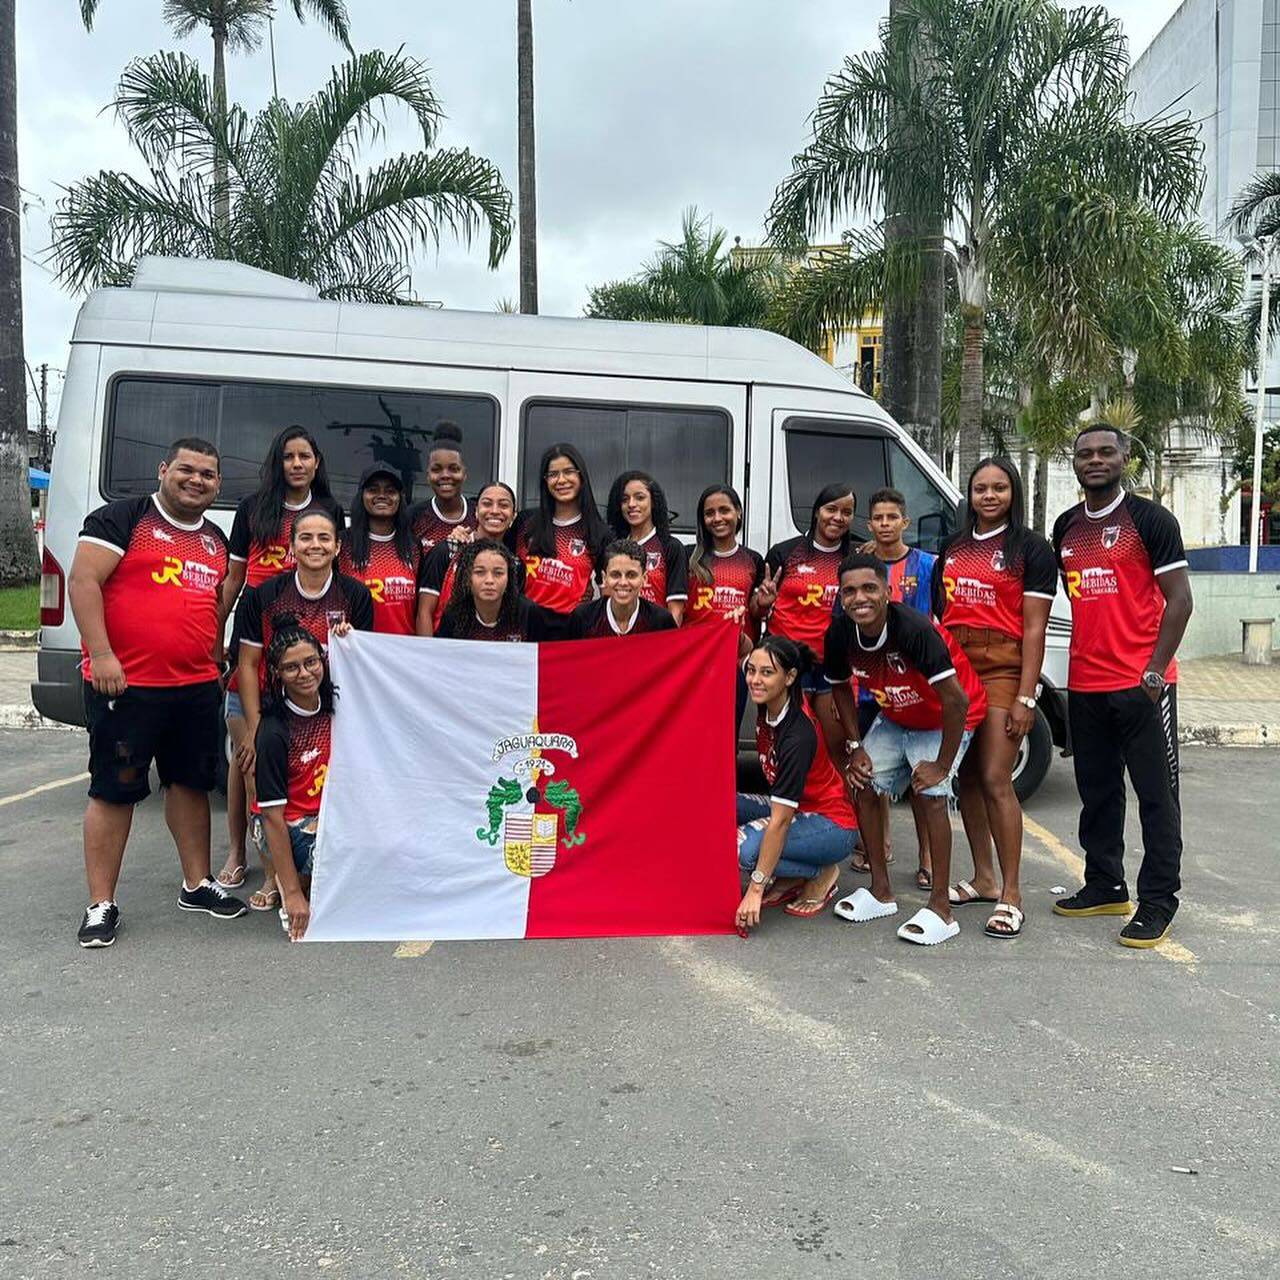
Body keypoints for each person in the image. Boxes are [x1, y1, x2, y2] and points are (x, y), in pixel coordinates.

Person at [69, 437, 247, 948]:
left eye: (208, 475)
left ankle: (197, 883)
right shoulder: (122, 519)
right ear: (163, 469)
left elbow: (211, 605)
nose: (197, 481)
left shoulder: (214, 539)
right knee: (114, 789)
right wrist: (101, 655)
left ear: (218, 485)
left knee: (190, 785)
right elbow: (83, 582)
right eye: (187, 470)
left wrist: (214, 662)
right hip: (126, 685)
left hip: (193, 687)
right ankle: (102, 902)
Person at [1051, 423, 1193, 948]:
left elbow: (1179, 601)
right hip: (1085, 684)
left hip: (1142, 685)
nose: (1095, 460)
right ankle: (1105, 885)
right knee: (1099, 793)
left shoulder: (1150, 520)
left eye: (1105, 451)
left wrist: (1154, 674)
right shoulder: (1066, 526)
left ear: (1124, 457)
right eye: (1085, 453)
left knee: (1157, 798)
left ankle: (1158, 901)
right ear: (1075, 461)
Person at [825, 555, 987, 945]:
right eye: (849, 591)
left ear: (887, 592)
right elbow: (840, 686)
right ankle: (881, 892)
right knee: (862, 780)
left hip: (942, 717)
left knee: (930, 794)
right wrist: (854, 745)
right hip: (899, 713)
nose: (859, 598)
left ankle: (941, 911)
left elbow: (957, 702)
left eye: (869, 588)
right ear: (841, 597)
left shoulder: (914, 629)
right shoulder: (840, 633)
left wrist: (942, 765)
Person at [217, 427, 343, 890]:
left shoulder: (329, 510)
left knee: (288, 765)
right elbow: (233, 579)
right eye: (288, 456)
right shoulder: (253, 509)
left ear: (316, 462)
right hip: (257, 639)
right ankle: (241, 855)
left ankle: (278, 872)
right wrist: (217, 641)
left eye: (304, 456)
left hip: (303, 654)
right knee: (247, 758)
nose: (296, 464)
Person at [936, 458, 1057, 939]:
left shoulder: (1031, 549)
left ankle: (1011, 894)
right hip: (957, 666)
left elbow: (1034, 628)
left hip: (1004, 667)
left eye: (999, 488)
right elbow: (939, 611)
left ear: (1014, 493)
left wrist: (1028, 696)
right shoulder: (952, 546)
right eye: (980, 488)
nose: (989, 496)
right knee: (964, 777)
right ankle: (984, 878)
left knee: (994, 777)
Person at [236, 508, 373, 910]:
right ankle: (276, 879)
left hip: (333, 711)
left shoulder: (355, 595)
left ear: (337, 546)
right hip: (276, 708)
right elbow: (247, 664)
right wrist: (255, 728)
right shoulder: (264, 595)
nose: (315, 545)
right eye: (306, 538)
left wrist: (352, 640)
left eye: (324, 538)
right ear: (292, 546)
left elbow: (366, 661)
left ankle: (311, 871)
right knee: (257, 775)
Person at [734, 636, 857, 932]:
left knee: (741, 849)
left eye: (766, 673)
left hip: (832, 824)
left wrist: (755, 888)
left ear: (789, 677)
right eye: (752, 671)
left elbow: (780, 822)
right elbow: (742, 652)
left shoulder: (798, 735)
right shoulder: (769, 696)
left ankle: (820, 872)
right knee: (718, 804)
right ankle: (793, 874)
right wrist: (734, 630)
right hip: (798, 809)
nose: (754, 680)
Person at [851, 487, 939, 890]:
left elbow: (937, 622)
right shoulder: (862, 567)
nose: (885, 524)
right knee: (873, 774)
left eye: (892, 518)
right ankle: (878, 846)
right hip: (872, 689)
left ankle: (926, 858)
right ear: (870, 525)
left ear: (905, 522)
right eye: (878, 518)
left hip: (916, 690)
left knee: (922, 779)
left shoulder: (926, 564)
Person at [754, 483, 856, 754]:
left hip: (831, 668)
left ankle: (837, 798)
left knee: (833, 746)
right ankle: (785, 797)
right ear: (816, 512)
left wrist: (850, 679)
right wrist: (762, 603)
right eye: (831, 509)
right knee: (784, 746)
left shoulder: (855, 558)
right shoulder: (785, 552)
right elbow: (757, 611)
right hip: (786, 663)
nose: (838, 517)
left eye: (847, 512)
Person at [253, 617, 337, 943]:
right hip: (292, 824)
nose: (304, 674)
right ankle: (290, 881)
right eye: (291, 668)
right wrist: (292, 895)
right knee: (338, 865)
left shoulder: (338, 706)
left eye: (311, 662)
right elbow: (272, 816)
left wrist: (347, 638)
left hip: (335, 814)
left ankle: (303, 880)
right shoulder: (274, 731)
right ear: (277, 674)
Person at [685, 485, 766, 733]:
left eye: (724, 510)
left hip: (734, 663)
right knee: (691, 734)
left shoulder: (753, 559)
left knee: (725, 737)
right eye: (710, 513)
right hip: (693, 662)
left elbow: (756, 614)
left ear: (738, 513)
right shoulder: (688, 557)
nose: (717, 518)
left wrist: (762, 605)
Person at [514, 442, 610, 622]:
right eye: (553, 474)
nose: (561, 480)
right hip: (525, 626)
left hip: (569, 631)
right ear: (545, 480)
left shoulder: (598, 532)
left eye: (568, 472)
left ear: (581, 476)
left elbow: (608, 591)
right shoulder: (525, 522)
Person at [417, 481, 522, 636]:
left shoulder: (514, 564)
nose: (494, 511)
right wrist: (428, 657)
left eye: (503, 505)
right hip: (445, 650)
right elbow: (424, 613)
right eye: (487, 504)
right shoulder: (447, 550)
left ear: (513, 516)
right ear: (476, 512)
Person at [338, 465, 420, 635]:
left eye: (390, 491)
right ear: (362, 496)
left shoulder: (413, 546)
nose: (381, 495)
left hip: (402, 653)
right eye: (373, 490)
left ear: (400, 498)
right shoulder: (342, 544)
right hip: (358, 652)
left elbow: (421, 610)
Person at [604, 470, 689, 623]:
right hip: (618, 639)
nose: (631, 504)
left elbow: (675, 612)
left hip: (655, 641)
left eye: (640, 498)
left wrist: (667, 644)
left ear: (654, 502)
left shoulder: (670, 547)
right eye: (624, 499)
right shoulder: (612, 547)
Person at [436, 539, 557, 642]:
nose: (489, 580)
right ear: (467, 578)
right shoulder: (453, 615)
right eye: (480, 572)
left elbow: (545, 658)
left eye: (498, 573)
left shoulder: (529, 613)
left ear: (509, 578)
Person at [567, 540, 677, 638]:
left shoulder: (661, 621)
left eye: (631, 575)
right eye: (615, 575)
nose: (623, 582)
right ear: (604, 578)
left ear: (644, 579)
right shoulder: (583, 617)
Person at [410, 421, 478, 554]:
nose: (445, 475)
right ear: (428, 475)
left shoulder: (478, 515)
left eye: (454, 469)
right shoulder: (413, 517)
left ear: (464, 474)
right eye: (437, 469)